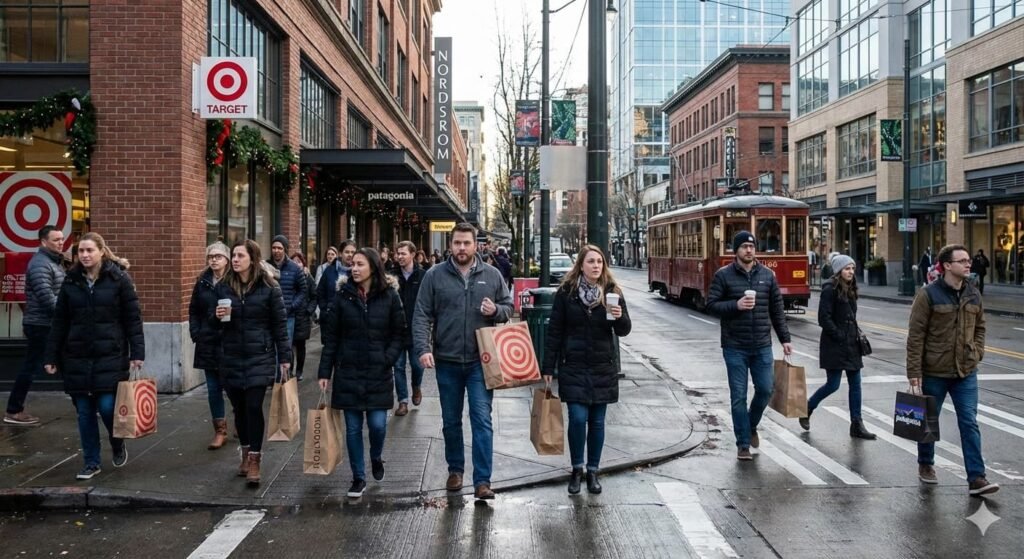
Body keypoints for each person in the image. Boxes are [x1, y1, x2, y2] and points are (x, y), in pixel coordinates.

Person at [413, 222, 513, 500]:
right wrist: (423, 348)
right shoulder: (435, 275)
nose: (461, 248)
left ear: (475, 245)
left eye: (466, 243)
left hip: (482, 362)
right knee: (450, 421)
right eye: (457, 243)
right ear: (450, 245)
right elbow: (421, 314)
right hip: (447, 361)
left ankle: (482, 481)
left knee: (482, 420)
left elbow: (509, 306)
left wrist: (496, 311)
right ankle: (455, 470)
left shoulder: (492, 275)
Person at [44, 233, 144, 480]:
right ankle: (91, 462)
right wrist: (51, 356)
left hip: (110, 354)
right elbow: (60, 321)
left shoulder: (118, 279)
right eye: (81, 251)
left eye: (90, 250)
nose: (85, 255)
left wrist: (137, 353)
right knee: (85, 412)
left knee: (109, 407)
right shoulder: (71, 281)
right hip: (76, 357)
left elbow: (133, 318)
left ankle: (117, 442)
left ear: (102, 251)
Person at [907, 244, 998, 496]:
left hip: (965, 371)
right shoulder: (928, 295)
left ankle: (976, 478)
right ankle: (926, 464)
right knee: (928, 420)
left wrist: (977, 351)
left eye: (969, 260)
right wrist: (914, 373)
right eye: (963, 261)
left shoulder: (973, 293)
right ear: (947, 265)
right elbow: (916, 336)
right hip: (934, 370)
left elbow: (980, 327)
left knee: (969, 422)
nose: (969, 264)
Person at [542, 245, 631, 495]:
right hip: (574, 365)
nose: (596, 266)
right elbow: (555, 331)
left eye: (600, 262)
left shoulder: (613, 292)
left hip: (602, 365)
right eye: (591, 261)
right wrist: (548, 366)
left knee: (598, 421)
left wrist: (620, 315)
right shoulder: (567, 293)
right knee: (578, 419)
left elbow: (624, 330)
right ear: (581, 265)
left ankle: (593, 471)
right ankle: (576, 469)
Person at [318, 248, 405, 498]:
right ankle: (358, 477)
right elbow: (331, 337)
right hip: (348, 372)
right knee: (353, 429)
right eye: (352, 264)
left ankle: (376, 456)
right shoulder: (342, 296)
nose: (354, 268)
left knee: (377, 425)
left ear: (373, 267)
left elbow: (399, 332)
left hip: (378, 371)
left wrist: (387, 359)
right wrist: (325, 371)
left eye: (360, 264)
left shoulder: (389, 296)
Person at [706, 231, 793, 461]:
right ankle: (743, 443)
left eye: (752, 246)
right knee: (738, 396)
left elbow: (777, 310)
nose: (749, 250)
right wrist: (736, 305)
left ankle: (750, 424)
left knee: (766, 389)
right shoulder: (723, 276)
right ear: (736, 250)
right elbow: (712, 305)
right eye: (744, 246)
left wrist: (785, 338)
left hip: (762, 344)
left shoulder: (768, 276)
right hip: (735, 346)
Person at [215, 239, 291, 487]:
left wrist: (285, 358)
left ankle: (256, 459)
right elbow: (211, 322)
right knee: (238, 409)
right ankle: (245, 452)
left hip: (260, 355)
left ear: (253, 259)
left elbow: (280, 325)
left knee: (253, 407)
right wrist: (215, 317)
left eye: (240, 256)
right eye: (233, 256)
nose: (235, 260)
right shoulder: (224, 287)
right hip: (231, 356)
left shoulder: (269, 287)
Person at [799, 254, 875, 439]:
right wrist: (839, 334)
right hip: (835, 344)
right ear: (838, 270)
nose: (850, 271)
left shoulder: (851, 288)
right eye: (847, 268)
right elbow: (823, 318)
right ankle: (808, 407)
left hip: (852, 344)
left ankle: (857, 424)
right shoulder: (829, 289)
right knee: (833, 384)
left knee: (855, 384)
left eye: (852, 268)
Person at [5, 225, 66, 426]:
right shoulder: (41, 264)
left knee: (65, 362)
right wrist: (70, 312)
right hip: (41, 325)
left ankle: (87, 400)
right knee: (31, 366)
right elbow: (47, 299)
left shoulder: (54, 262)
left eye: (62, 238)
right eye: (56, 239)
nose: (61, 242)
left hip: (46, 324)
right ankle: (13, 410)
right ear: (43, 242)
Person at [188, 241, 232, 449]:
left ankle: (240, 420)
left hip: (230, 342)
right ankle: (220, 430)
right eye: (210, 256)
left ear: (227, 259)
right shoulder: (202, 281)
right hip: (207, 342)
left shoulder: (234, 280)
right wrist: (195, 333)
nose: (213, 260)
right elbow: (194, 309)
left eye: (218, 256)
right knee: (213, 388)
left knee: (234, 387)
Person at [393, 241, 426, 416]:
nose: (399, 257)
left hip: (416, 329)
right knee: (398, 367)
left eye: (403, 253)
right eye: (398, 253)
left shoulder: (423, 275)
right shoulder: (391, 275)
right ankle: (403, 401)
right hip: (396, 329)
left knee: (417, 365)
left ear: (413, 254)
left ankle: (416, 386)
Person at [267, 235, 307, 345]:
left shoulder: (294, 268)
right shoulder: (265, 266)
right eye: (274, 248)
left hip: (287, 316)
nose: (276, 251)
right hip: (269, 315)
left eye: (280, 248)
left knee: (285, 348)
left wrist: (292, 305)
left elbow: (303, 290)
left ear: (285, 249)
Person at [290, 252, 317, 381]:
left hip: (303, 318)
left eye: (299, 261)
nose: (296, 263)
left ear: (303, 264)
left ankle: (299, 370)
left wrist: (309, 311)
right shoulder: (288, 277)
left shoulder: (308, 278)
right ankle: (288, 370)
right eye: (293, 261)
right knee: (288, 346)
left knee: (300, 346)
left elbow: (314, 296)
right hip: (290, 316)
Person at [317, 240, 356, 321]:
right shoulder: (329, 270)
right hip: (330, 318)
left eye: (353, 252)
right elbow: (320, 291)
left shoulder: (357, 272)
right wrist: (325, 309)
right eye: (347, 252)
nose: (350, 255)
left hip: (351, 319)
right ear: (340, 253)